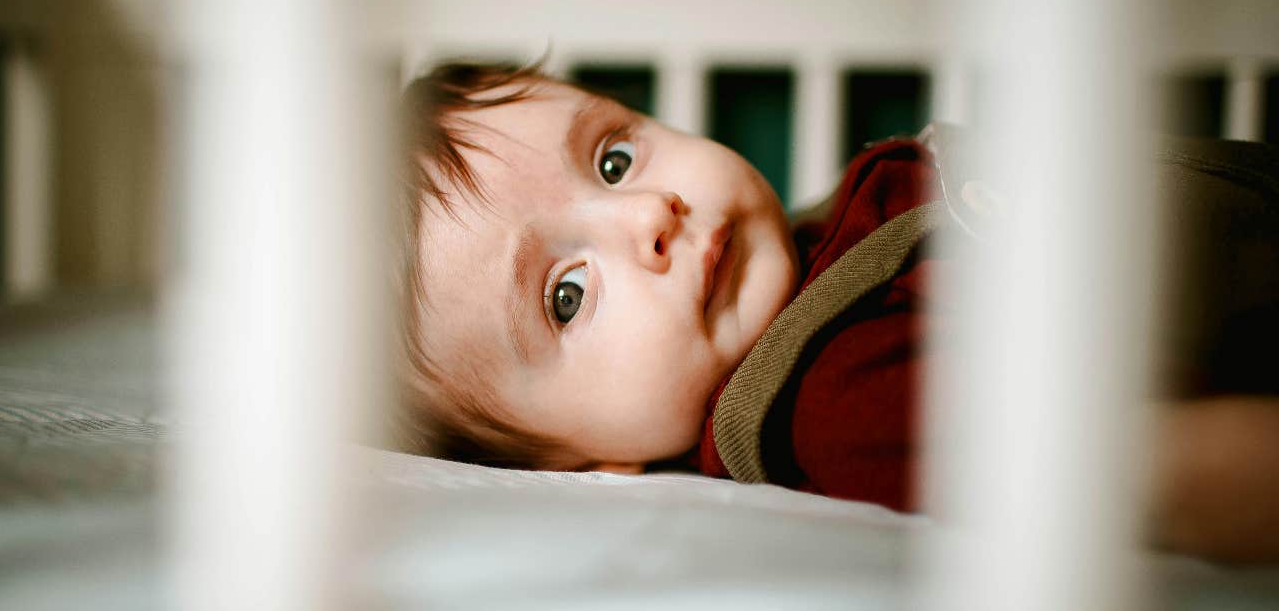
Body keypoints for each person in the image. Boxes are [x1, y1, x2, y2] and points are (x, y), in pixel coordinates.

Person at [395, 60, 1279, 564]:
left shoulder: (828, 243)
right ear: (588, 464)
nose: (646, 217)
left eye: (615, 160)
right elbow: (1146, 471)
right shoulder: (834, 400)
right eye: (566, 295)